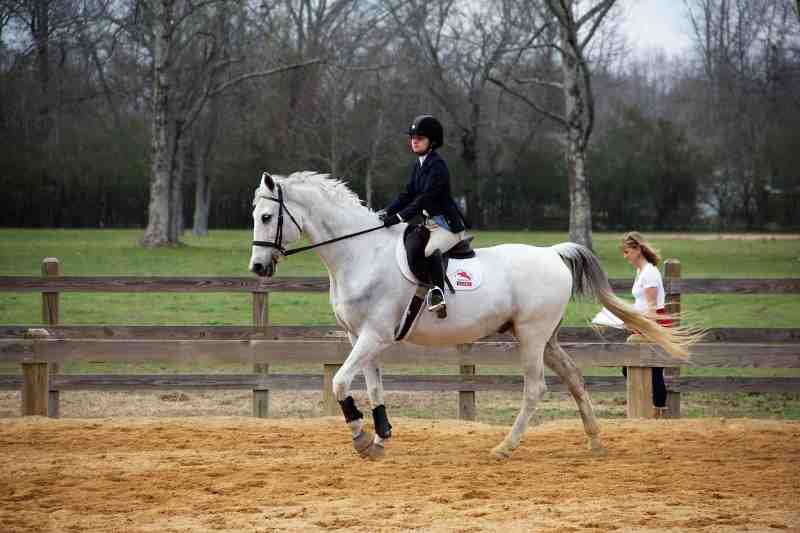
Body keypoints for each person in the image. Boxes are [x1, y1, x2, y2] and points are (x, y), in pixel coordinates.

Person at [380, 115, 469, 317]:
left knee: (429, 251)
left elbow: (425, 200)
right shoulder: (419, 165)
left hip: (447, 227)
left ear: (432, 141)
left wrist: (399, 217)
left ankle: (438, 295)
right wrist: (386, 212)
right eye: (412, 136)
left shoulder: (438, 167)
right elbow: (407, 194)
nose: (414, 140)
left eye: (420, 137)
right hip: (430, 225)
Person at [620, 231, 673, 416]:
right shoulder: (640, 271)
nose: (624, 256)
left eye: (626, 251)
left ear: (637, 250)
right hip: (643, 323)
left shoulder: (650, 273)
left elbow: (651, 308)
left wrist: (643, 328)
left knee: (655, 372)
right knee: (631, 369)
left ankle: (658, 413)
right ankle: (647, 409)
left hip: (654, 323)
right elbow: (640, 303)